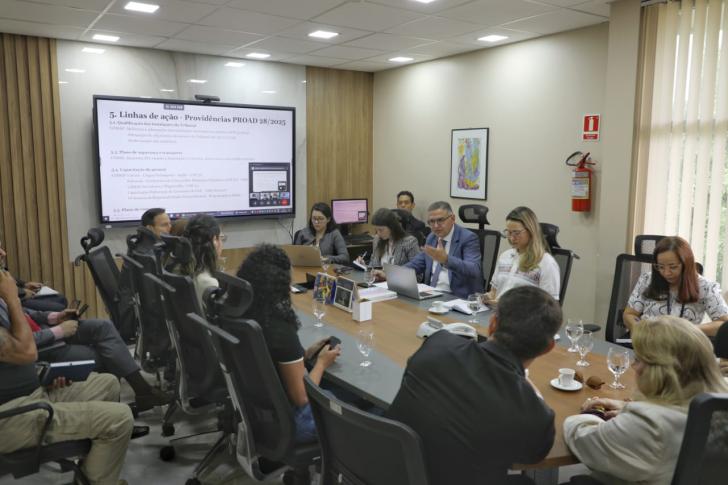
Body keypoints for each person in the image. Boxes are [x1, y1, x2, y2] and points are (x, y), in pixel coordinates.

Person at [386, 286, 561, 485]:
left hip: (389, 471)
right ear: (548, 348)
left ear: (492, 323)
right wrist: (532, 391)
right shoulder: (535, 416)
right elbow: (531, 457)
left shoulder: (437, 344)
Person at [0, 269, 134, 485]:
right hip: (11, 415)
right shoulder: (6, 297)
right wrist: (12, 298)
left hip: (29, 392)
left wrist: (44, 375)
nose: (2, 252)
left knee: (107, 383)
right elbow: (27, 352)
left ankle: (93, 474)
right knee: (120, 419)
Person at [564, 315, 728, 485]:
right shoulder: (716, 405)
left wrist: (591, 412)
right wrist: (628, 406)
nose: (635, 367)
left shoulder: (650, 424)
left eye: (637, 360)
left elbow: (583, 441)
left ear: (656, 370)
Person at [236, 244, 341, 443]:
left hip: (256, 415)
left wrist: (306, 354)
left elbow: (274, 359)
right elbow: (301, 398)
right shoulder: (279, 328)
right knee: (364, 409)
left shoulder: (246, 313)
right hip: (291, 424)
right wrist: (321, 364)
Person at [623, 236, 728, 336]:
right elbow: (629, 314)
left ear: (686, 264)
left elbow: (724, 323)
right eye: (660, 267)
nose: (666, 273)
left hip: (682, 346)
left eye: (673, 267)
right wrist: (637, 328)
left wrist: (689, 330)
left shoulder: (706, 287)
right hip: (647, 344)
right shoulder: (647, 279)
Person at [402, 201, 482, 298]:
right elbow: (417, 263)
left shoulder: (468, 238)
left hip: (457, 297)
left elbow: (474, 269)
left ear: (452, 218)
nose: (435, 226)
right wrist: (393, 274)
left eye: (440, 220)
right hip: (431, 294)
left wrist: (446, 260)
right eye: (431, 221)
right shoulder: (432, 237)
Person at [484, 206, 560, 305]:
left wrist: (508, 306)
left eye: (516, 233)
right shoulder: (505, 256)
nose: (511, 238)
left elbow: (549, 306)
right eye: (508, 232)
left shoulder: (546, 262)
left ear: (531, 231)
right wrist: (483, 298)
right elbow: (494, 292)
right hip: (497, 315)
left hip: (525, 318)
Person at [0, 240, 68, 312]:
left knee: (61, 299)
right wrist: (23, 292)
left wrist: (24, 284)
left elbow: (7, 274)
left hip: (18, 294)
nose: (4, 253)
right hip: (12, 300)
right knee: (59, 308)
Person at [181, 214, 225, 310]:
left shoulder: (178, 269)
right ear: (214, 241)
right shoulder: (209, 284)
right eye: (221, 238)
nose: (222, 243)